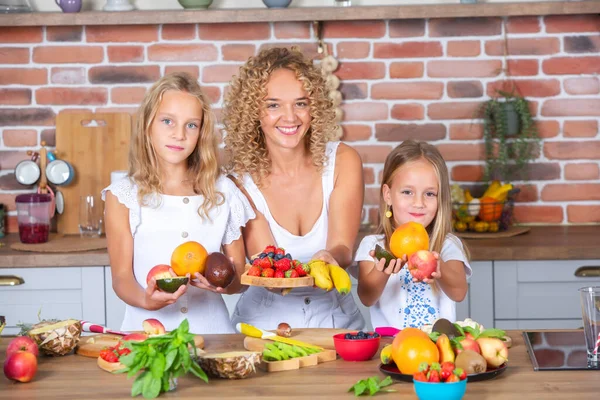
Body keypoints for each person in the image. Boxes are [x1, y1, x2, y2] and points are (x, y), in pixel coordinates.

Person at [223, 47, 365, 330]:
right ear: (254, 112)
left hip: (337, 322)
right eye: (273, 105)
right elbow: (270, 260)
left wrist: (331, 257)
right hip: (263, 326)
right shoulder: (239, 181)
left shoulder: (343, 161)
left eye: (301, 103)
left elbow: (343, 248)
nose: (290, 117)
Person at [102, 72, 255, 334]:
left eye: (191, 125)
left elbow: (240, 275)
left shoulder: (223, 191)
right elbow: (121, 278)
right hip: (147, 336)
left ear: (201, 133)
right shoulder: (123, 195)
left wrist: (224, 285)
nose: (179, 134)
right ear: (147, 125)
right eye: (167, 121)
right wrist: (146, 300)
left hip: (214, 336)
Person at [355, 140, 471, 329]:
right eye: (407, 192)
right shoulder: (374, 246)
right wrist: (382, 271)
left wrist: (438, 268)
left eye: (430, 194)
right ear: (388, 195)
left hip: (436, 348)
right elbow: (367, 297)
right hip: (391, 347)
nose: (419, 203)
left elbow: (459, 293)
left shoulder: (447, 245)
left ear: (440, 198)